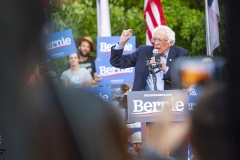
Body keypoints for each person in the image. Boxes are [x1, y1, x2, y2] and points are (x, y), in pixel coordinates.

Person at [110, 25, 189, 91]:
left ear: (170, 42)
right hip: (143, 103)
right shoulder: (143, 51)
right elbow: (117, 62)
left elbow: (185, 82)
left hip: (170, 102)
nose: (156, 43)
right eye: (154, 39)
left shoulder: (181, 54)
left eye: (160, 40)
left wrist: (165, 68)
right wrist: (122, 42)